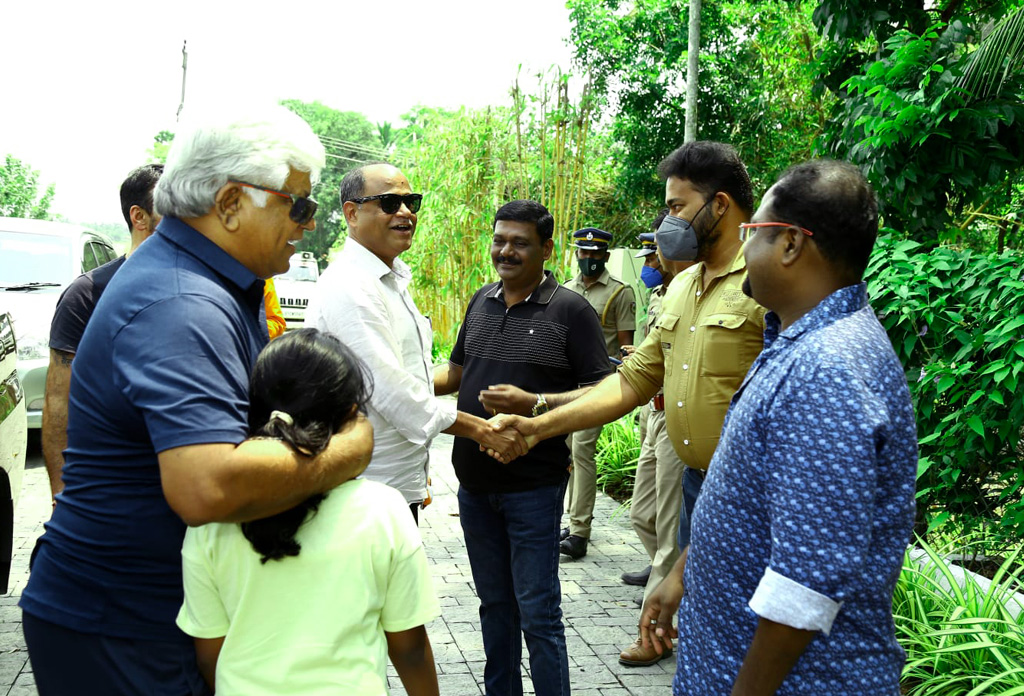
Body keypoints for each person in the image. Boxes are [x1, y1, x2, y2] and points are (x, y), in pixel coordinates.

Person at [21, 105, 374, 696]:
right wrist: (347, 449)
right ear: (232, 202)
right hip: (121, 627)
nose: (307, 223)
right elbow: (205, 485)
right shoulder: (180, 302)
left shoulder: (206, 282)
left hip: (152, 617)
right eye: (298, 204)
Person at [640, 159, 917, 695]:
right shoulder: (798, 342)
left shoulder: (828, 372)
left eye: (753, 233)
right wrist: (683, 573)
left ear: (790, 244)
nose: (744, 250)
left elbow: (804, 583)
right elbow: (754, 500)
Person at [485, 140, 766, 654]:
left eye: (677, 206)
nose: (667, 221)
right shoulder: (683, 287)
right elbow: (633, 380)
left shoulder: (765, 280)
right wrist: (537, 422)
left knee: (743, 638)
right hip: (696, 487)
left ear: (720, 205)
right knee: (708, 636)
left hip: (750, 496)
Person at [177, 329, 440, 696]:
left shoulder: (211, 520)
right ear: (350, 417)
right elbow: (409, 649)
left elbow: (209, 654)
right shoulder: (384, 511)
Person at [434, 200, 611, 696]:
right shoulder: (480, 301)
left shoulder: (570, 309)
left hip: (533, 488)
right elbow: (458, 373)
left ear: (546, 248)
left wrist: (536, 402)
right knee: (494, 607)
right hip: (473, 486)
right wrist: (398, 388)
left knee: (537, 612)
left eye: (520, 242)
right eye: (500, 240)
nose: (505, 251)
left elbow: (604, 388)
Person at [307, 163, 525, 522]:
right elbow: (389, 388)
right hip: (365, 489)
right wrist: (480, 429)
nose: (405, 212)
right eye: (390, 203)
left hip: (392, 484)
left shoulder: (389, 279)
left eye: (411, 201)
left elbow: (415, 374)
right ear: (352, 213)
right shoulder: (351, 285)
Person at [42, 163, 163, 502]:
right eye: (171, 208)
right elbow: (58, 401)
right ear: (139, 217)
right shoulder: (87, 294)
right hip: (108, 489)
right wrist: (61, 494)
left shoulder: (196, 288)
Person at [618, 216, 696, 667]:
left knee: (669, 531)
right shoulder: (663, 295)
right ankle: (673, 585)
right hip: (654, 411)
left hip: (678, 422)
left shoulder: (700, 293)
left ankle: (655, 632)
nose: (650, 262)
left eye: (653, 254)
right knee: (641, 514)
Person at [560, 227, 636, 558]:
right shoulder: (564, 290)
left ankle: (579, 532)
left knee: (582, 451)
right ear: (576, 253)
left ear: (606, 255)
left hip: (598, 386)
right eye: (584, 252)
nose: (589, 258)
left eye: (595, 253)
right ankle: (571, 521)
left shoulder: (620, 293)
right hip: (565, 388)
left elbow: (627, 347)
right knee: (568, 455)